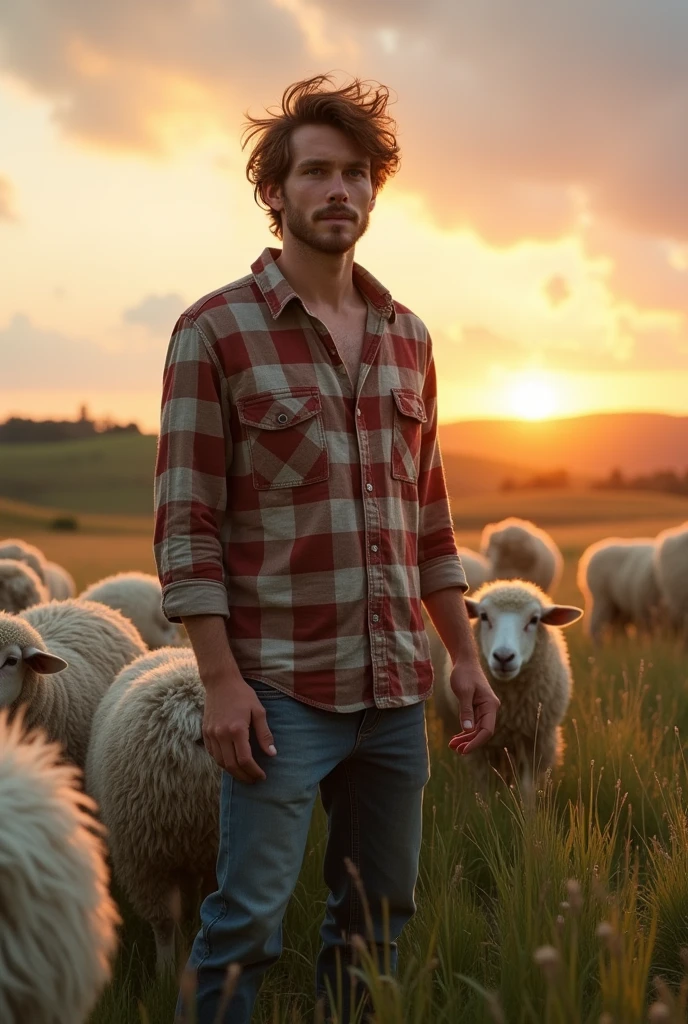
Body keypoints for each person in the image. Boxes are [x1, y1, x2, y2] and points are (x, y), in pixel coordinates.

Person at [154, 73, 500, 1024]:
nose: (338, 190)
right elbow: (187, 528)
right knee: (245, 925)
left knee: (377, 924)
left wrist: (463, 655)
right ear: (275, 191)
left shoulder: (409, 338)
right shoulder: (214, 333)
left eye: (356, 173)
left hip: (396, 693)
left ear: (375, 191)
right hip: (279, 692)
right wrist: (221, 682)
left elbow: (429, 518)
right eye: (316, 172)